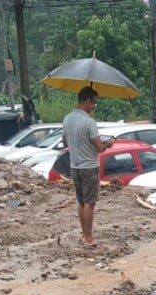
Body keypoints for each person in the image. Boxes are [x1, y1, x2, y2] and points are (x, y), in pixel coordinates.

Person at [61, 86, 113, 247]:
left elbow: (64, 142)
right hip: (89, 166)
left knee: (81, 202)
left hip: (74, 166)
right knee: (90, 203)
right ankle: (88, 238)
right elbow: (99, 147)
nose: (94, 107)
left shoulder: (67, 119)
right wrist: (108, 144)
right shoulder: (89, 122)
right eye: (94, 103)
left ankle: (84, 234)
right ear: (88, 101)